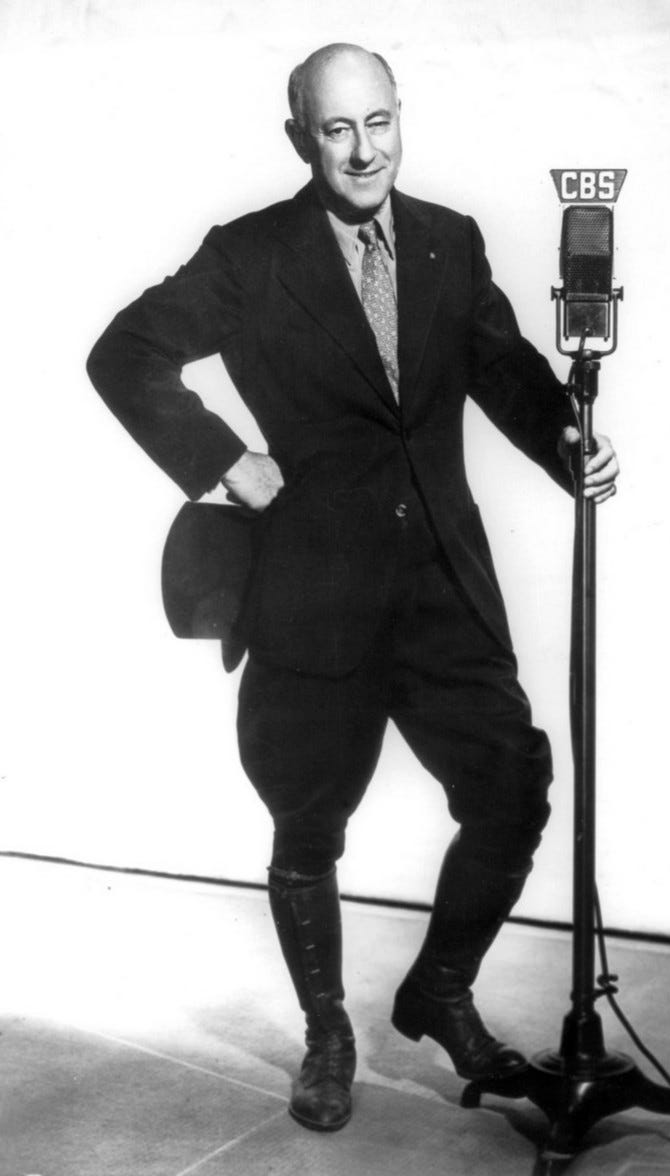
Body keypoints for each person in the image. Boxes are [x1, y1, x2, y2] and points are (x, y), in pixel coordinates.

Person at [87, 43, 620, 1133]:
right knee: (306, 825)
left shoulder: (444, 240)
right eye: (336, 130)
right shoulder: (249, 256)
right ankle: (327, 1033)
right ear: (301, 137)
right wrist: (225, 461)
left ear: (398, 119)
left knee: (511, 786)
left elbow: (504, 367)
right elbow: (125, 351)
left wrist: (571, 446)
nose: (363, 149)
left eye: (378, 122)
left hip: (438, 589)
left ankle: (437, 991)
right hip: (311, 597)